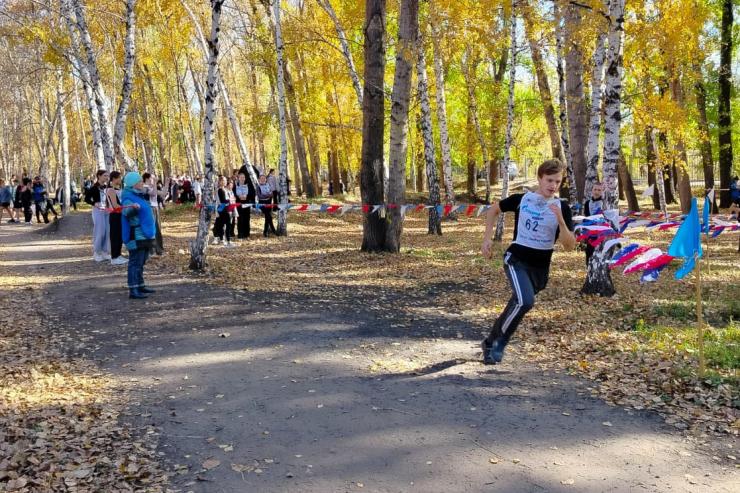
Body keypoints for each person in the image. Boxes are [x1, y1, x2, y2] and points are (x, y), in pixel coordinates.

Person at [480, 159, 576, 364]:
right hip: (516, 258)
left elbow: (570, 245)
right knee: (525, 301)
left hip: (540, 267)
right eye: (549, 180)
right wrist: (487, 239)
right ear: (540, 178)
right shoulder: (523, 200)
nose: (553, 186)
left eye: (558, 182)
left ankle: (489, 342)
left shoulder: (562, 207)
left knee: (517, 304)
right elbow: (493, 210)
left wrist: (560, 220)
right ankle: (500, 344)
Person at [121, 172, 156, 299]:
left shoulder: (139, 195)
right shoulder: (128, 197)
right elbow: (126, 212)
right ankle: (133, 289)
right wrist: (133, 208)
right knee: (135, 262)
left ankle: (140, 285)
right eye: (140, 181)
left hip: (144, 234)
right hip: (135, 235)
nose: (142, 183)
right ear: (133, 184)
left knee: (141, 261)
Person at [84, 170, 111, 261]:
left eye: (107, 176)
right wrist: (94, 203)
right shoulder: (94, 187)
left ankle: (105, 251)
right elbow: (86, 199)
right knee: (100, 231)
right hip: (98, 210)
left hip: (107, 210)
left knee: (107, 231)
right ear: (99, 176)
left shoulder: (108, 187)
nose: (106, 177)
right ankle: (97, 252)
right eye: (104, 176)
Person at [107, 171, 127, 266]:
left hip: (120, 215)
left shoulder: (118, 189)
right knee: (115, 236)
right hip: (115, 215)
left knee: (119, 236)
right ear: (114, 179)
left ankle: (118, 255)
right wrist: (127, 207)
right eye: (119, 178)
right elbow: (115, 205)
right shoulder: (111, 190)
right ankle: (114, 257)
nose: (120, 179)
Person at [582, 182, 605, 264]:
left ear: (602, 191)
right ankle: (589, 271)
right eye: (595, 189)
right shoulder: (587, 203)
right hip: (590, 232)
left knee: (600, 253)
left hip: (601, 233)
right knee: (589, 252)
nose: (597, 192)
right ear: (592, 190)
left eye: (599, 190)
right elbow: (585, 218)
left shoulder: (604, 203)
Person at [142, 173, 164, 255]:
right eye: (152, 178)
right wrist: (155, 183)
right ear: (147, 179)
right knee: (152, 229)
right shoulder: (144, 187)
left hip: (155, 208)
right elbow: (153, 193)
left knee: (158, 229)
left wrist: (167, 183)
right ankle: (152, 250)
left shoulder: (151, 187)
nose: (154, 179)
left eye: (154, 178)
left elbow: (163, 193)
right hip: (150, 208)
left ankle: (158, 249)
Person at [212, 175, 236, 247]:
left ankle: (225, 240)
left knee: (224, 225)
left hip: (226, 209)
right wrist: (231, 200)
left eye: (225, 180)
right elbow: (223, 201)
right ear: (219, 182)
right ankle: (226, 240)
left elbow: (228, 199)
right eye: (222, 181)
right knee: (224, 224)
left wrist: (231, 200)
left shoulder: (225, 190)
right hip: (222, 209)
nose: (224, 182)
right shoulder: (220, 190)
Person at [234, 172, 251, 239]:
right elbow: (234, 194)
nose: (242, 179)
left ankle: (247, 234)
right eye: (241, 177)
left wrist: (247, 197)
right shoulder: (235, 186)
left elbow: (251, 194)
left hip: (247, 204)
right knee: (240, 219)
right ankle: (240, 235)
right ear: (238, 178)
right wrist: (238, 197)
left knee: (247, 219)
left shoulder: (248, 185)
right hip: (239, 204)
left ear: (245, 178)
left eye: (243, 177)